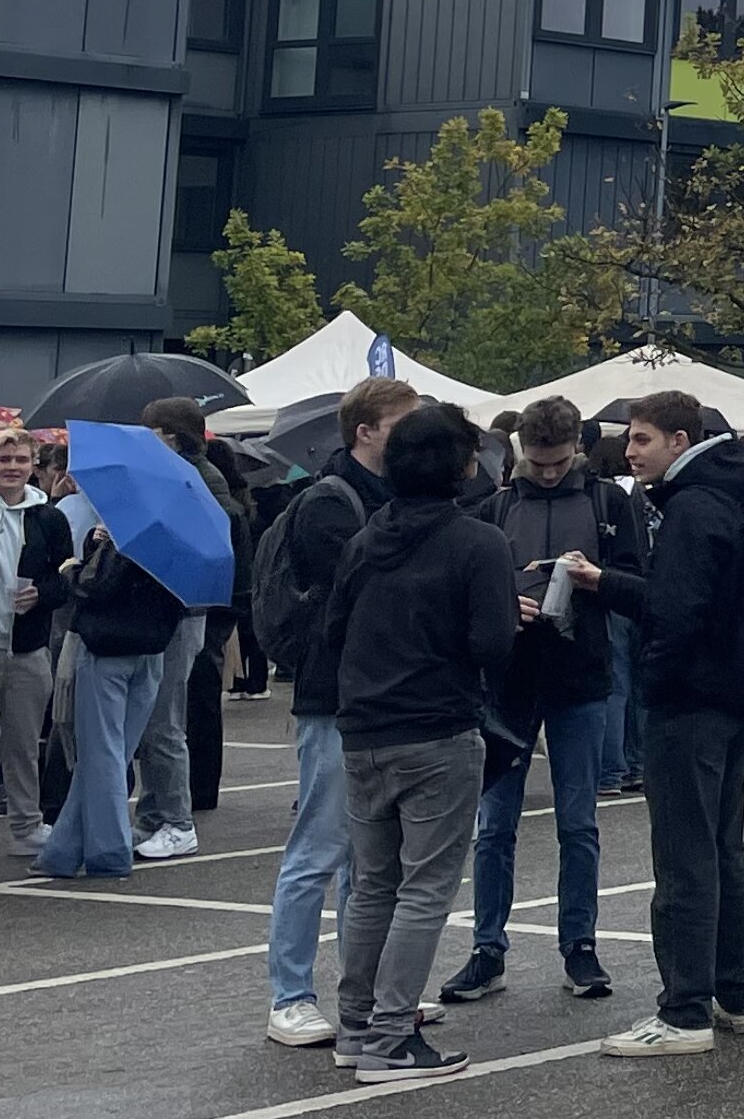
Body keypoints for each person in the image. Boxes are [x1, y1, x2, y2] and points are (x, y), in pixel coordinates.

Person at [316, 403, 513, 1082]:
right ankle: (394, 1033)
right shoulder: (477, 542)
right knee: (426, 887)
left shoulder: (368, 538)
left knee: (372, 884)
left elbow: (334, 628)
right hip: (437, 725)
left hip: (365, 725)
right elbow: (492, 644)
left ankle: (358, 1021)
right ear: (463, 465)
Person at [577, 391, 744, 1057]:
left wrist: (655, 680)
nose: (629, 451)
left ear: (679, 438)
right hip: (735, 691)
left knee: (685, 852)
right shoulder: (729, 494)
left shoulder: (690, 507)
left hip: (689, 698)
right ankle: (735, 991)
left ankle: (684, 1007)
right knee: (723, 847)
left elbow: (676, 611)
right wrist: (604, 581)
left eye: (641, 438)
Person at [443, 396, 640, 1006]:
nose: (548, 473)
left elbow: (639, 586)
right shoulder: (496, 506)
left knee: (578, 821)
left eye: (557, 464)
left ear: (577, 450)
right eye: (538, 463)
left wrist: (595, 582)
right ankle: (487, 948)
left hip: (580, 677)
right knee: (494, 825)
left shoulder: (611, 503)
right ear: (521, 453)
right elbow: (466, 591)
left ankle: (579, 945)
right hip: (510, 682)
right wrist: (509, 603)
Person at [253, 376, 419, 1050]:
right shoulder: (331, 500)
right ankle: (289, 993)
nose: (412, 435)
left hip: (376, 693)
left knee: (369, 855)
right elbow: (364, 583)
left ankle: (370, 988)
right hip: (333, 693)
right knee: (318, 848)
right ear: (367, 431)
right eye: (402, 423)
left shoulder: (391, 494)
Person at [131, 398, 248, 861]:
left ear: (172, 437)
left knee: (164, 718)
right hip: (187, 608)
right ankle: (157, 814)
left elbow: (196, 540)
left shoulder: (189, 477)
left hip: (184, 609)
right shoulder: (199, 474)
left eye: (152, 432)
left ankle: (177, 820)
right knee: (161, 714)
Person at [0, 430, 74, 859]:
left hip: (29, 649)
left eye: (21, 460)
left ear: (34, 465)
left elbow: (65, 575)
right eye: (3, 459)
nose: (12, 467)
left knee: (24, 745)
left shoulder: (49, 517)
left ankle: (26, 825)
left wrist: (44, 594)